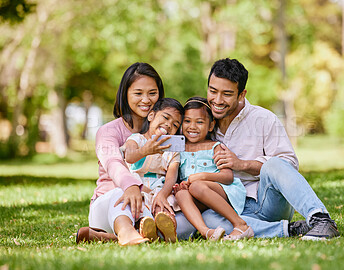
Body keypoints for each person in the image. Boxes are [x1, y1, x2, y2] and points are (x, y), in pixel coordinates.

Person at [176, 58, 340, 241]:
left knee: (274, 164)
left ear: (241, 94)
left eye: (227, 94)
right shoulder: (202, 122)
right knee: (207, 218)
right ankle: (289, 229)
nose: (218, 100)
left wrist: (242, 164)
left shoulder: (264, 119)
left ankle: (321, 219)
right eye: (213, 91)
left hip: (267, 202)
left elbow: (288, 165)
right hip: (230, 208)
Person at [76, 62, 165, 245]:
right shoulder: (108, 131)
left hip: (147, 204)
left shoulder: (164, 131)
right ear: (125, 94)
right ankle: (125, 232)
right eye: (138, 93)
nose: (146, 100)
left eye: (152, 93)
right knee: (121, 194)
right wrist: (130, 186)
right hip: (110, 205)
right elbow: (113, 163)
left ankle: (104, 237)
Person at [173, 97, 253, 241]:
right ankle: (206, 232)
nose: (192, 126)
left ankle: (241, 224)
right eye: (187, 121)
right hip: (196, 195)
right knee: (181, 195)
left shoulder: (215, 147)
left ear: (210, 126)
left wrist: (202, 176)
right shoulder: (179, 147)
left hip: (221, 191)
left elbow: (228, 177)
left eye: (199, 122)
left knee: (196, 186)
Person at [121, 98, 184, 243]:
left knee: (165, 205)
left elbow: (171, 177)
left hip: (159, 188)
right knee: (138, 206)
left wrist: (162, 194)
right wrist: (145, 150)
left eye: (175, 125)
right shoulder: (137, 139)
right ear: (151, 116)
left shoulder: (173, 151)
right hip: (138, 187)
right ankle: (146, 226)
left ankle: (168, 229)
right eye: (166, 117)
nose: (168, 125)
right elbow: (129, 156)